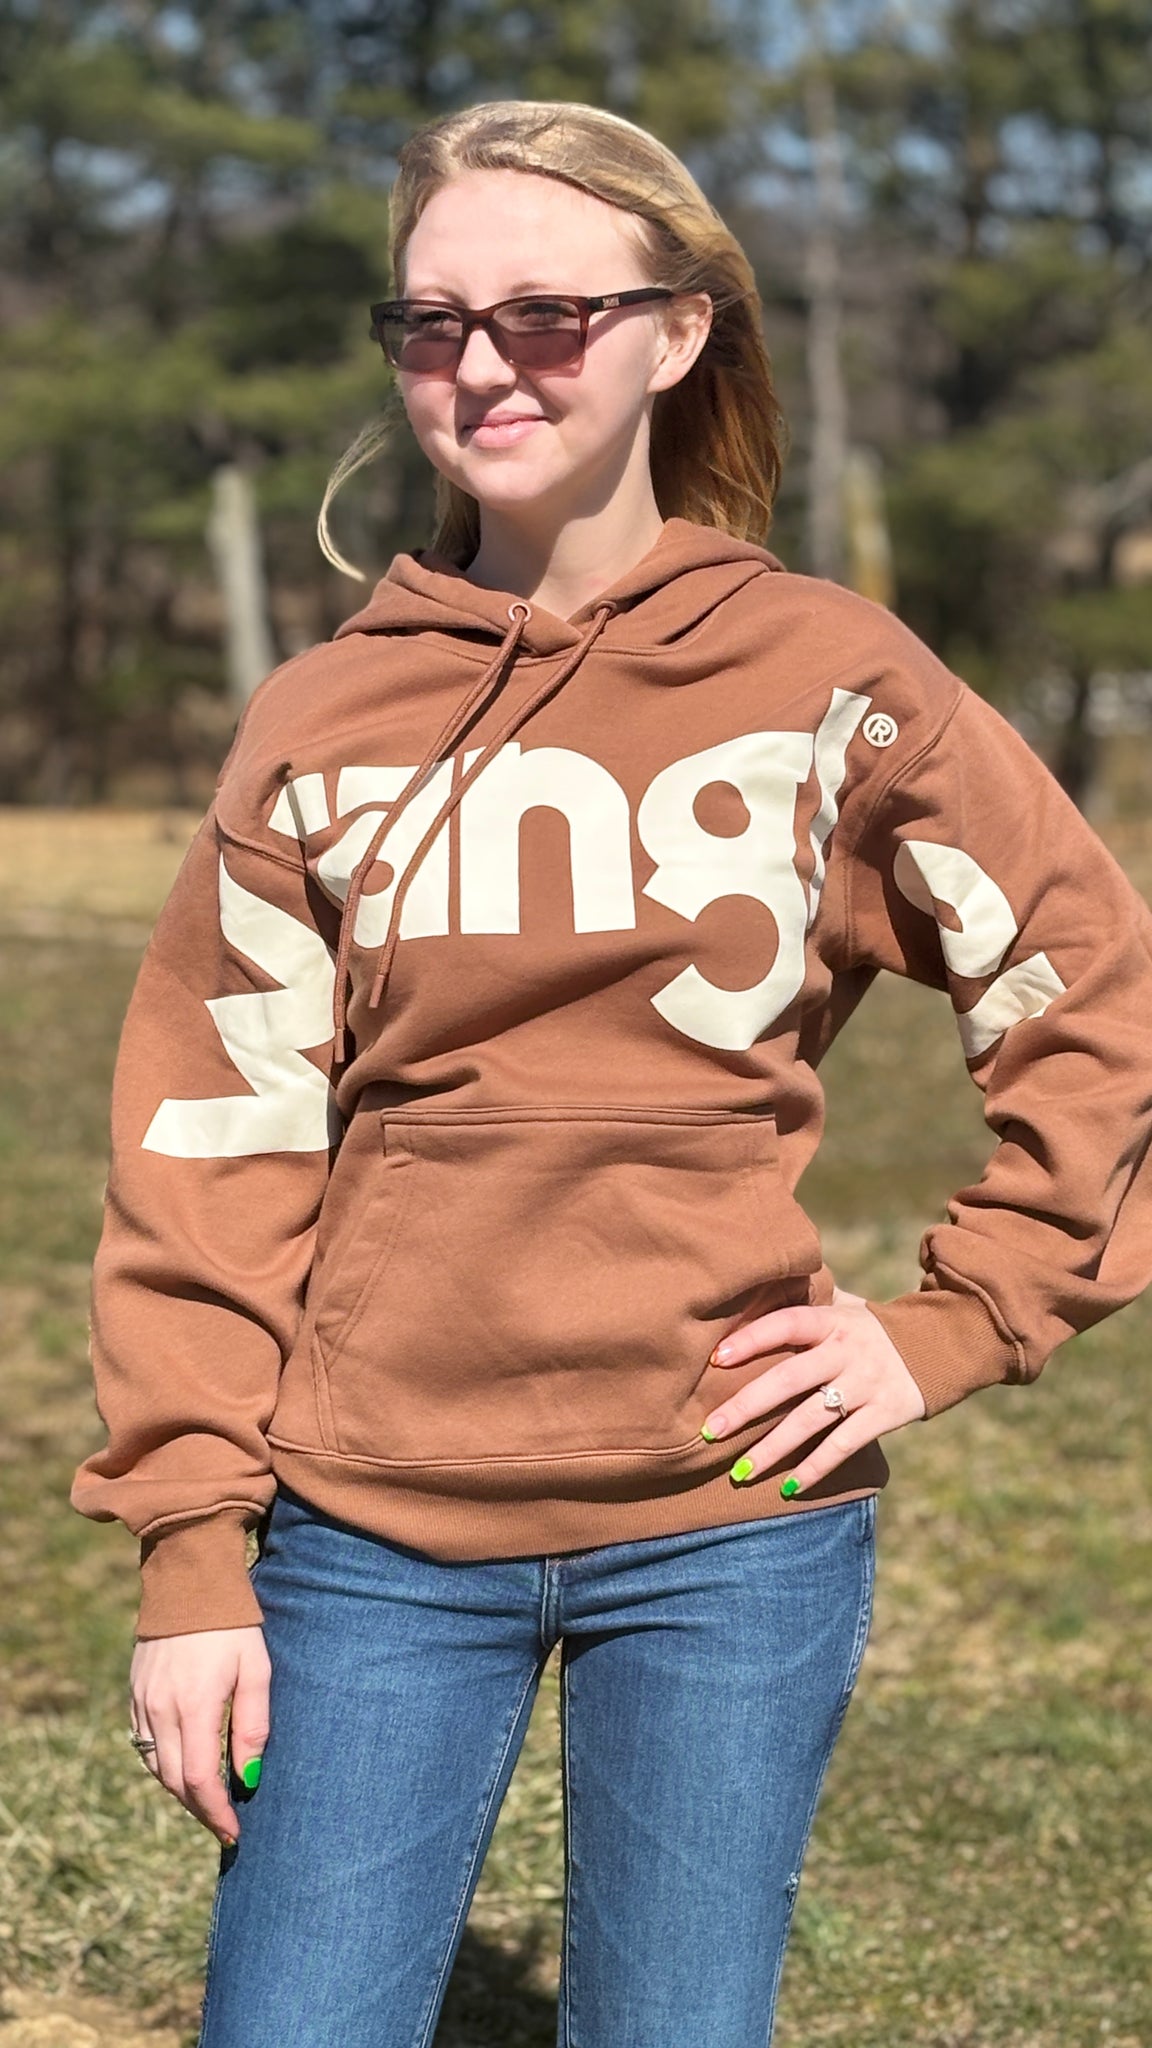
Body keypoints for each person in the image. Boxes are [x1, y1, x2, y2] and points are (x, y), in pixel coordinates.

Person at [70, 97, 1152, 2048]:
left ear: (680, 332)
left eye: (548, 315)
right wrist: (192, 1554)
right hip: (370, 1527)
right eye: (433, 322)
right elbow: (211, 1147)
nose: (483, 364)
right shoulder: (321, 718)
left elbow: (1092, 991)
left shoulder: (836, 678)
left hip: (734, 1521)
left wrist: (961, 1320)